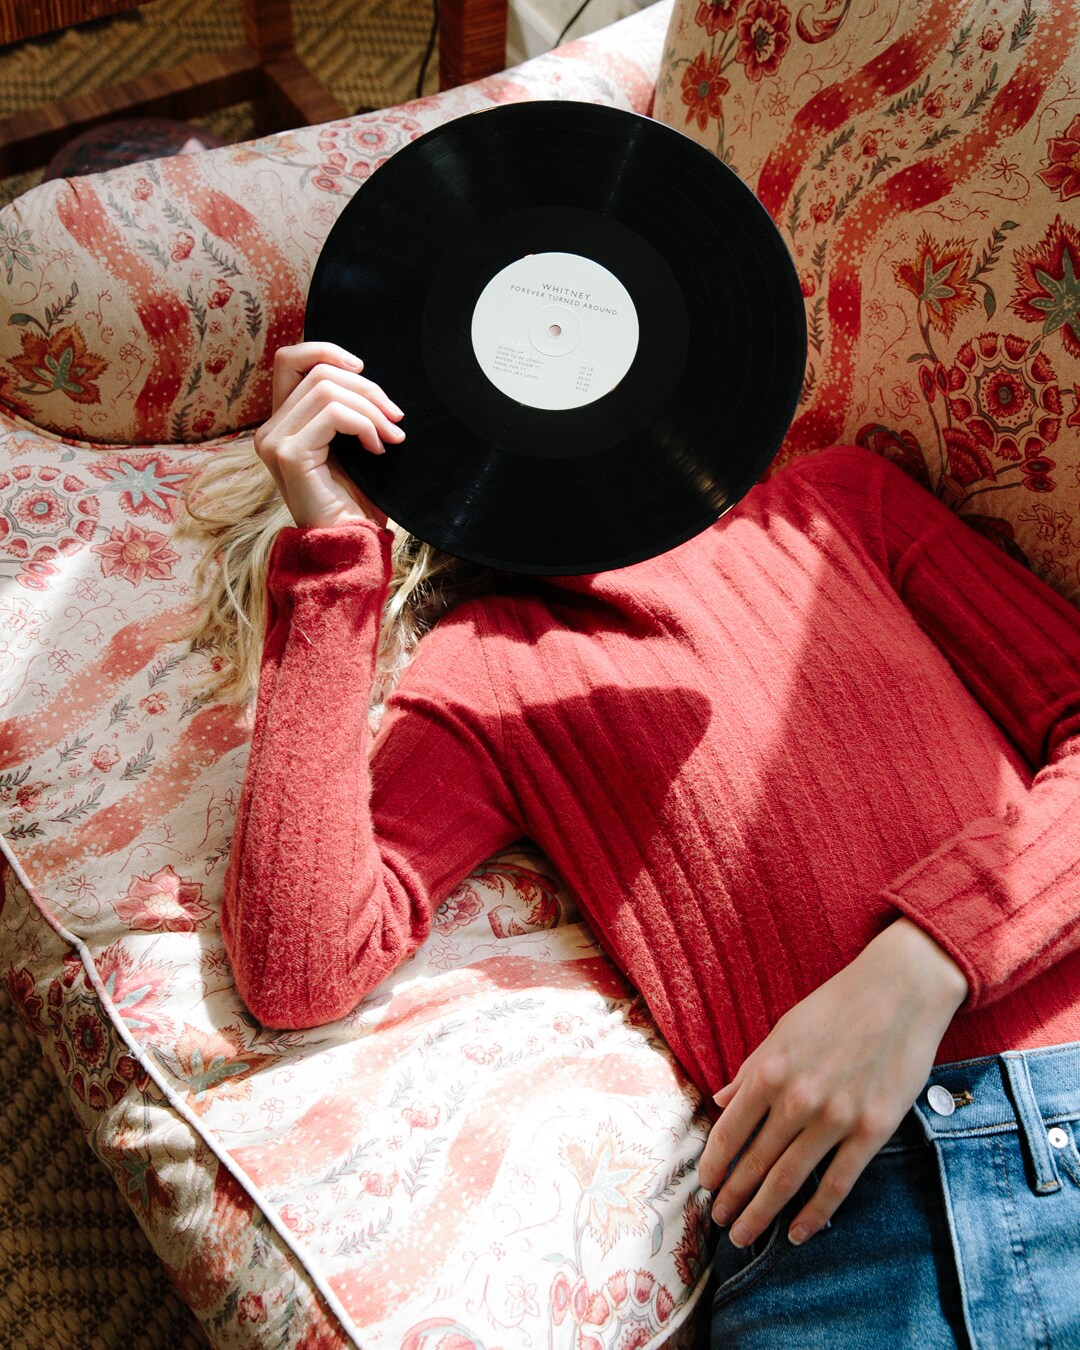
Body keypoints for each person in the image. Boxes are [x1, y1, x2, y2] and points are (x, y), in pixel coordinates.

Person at [180, 340, 1080, 1349]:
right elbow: (299, 966)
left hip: (1065, 1095)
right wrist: (335, 548)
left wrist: (922, 965)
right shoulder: (485, 665)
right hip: (830, 1230)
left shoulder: (838, 506)